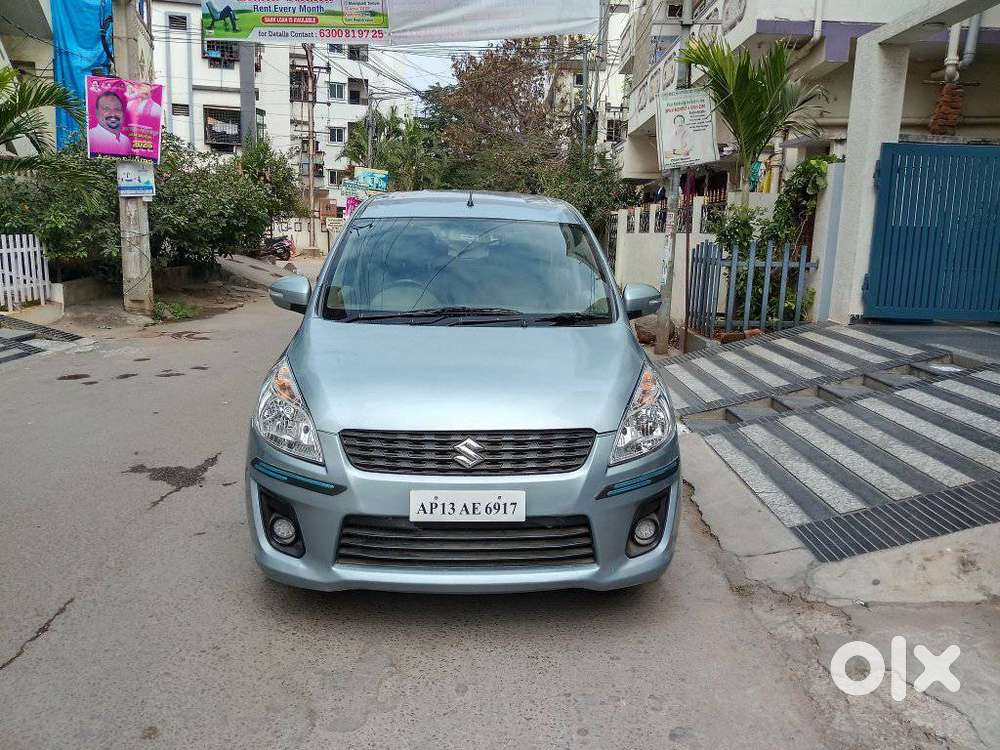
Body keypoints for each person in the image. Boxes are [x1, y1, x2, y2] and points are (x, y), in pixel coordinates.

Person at [88, 91, 132, 156]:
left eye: (117, 109)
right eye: (106, 109)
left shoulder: (125, 141)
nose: (113, 114)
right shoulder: (91, 138)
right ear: (97, 113)